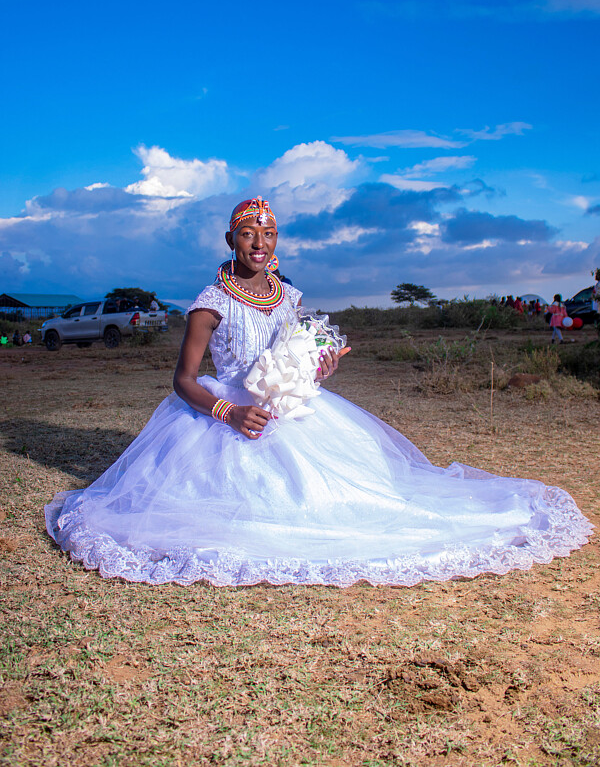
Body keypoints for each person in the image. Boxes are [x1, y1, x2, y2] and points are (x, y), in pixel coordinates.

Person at [45, 197, 593, 587]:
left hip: (289, 407)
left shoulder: (289, 294)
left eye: (269, 235)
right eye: (247, 234)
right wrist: (229, 412)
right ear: (230, 240)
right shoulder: (211, 301)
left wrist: (316, 366)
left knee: (348, 494)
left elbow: (293, 358)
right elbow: (182, 381)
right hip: (225, 413)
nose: (259, 244)